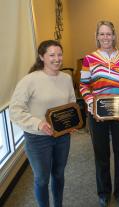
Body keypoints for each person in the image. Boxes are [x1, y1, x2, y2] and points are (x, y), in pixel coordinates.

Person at [9, 40, 75, 207]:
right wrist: (38, 124)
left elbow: (72, 104)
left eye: (59, 54)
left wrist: (72, 122)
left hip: (62, 137)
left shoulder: (66, 78)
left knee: (59, 174)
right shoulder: (29, 80)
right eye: (51, 55)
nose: (57, 59)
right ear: (41, 57)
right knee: (42, 179)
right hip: (38, 139)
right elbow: (15, 110)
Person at [79, 20, 119, 207]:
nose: (105, 37)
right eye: (101, 34)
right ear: (97, 37)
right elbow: (84, 85)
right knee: (101, 154)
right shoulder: (89, 59)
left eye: (108, 33)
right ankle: (103, 192)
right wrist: (92, 103)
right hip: (97, 114)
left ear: (114, 35)